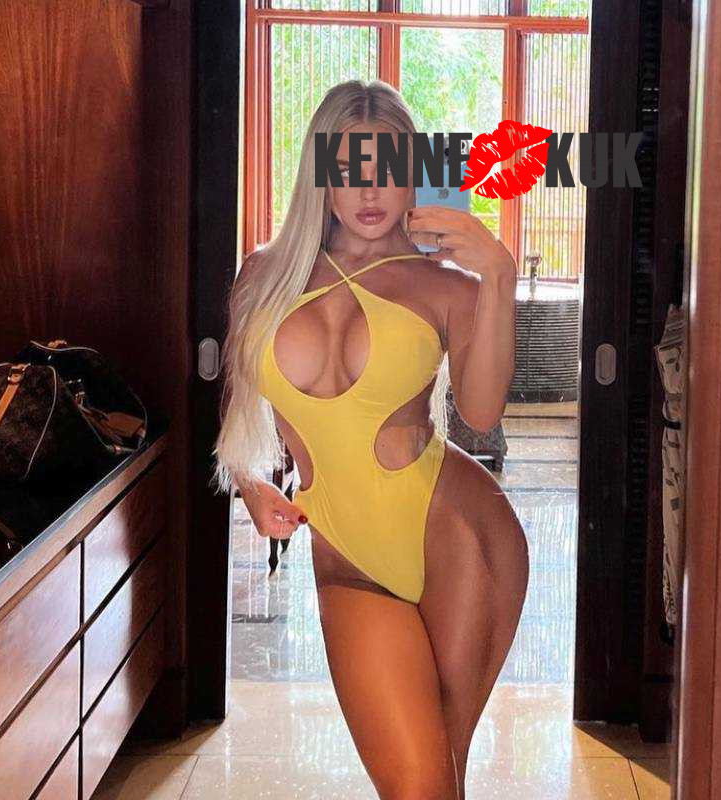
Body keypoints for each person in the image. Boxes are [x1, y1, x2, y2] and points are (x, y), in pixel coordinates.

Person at [213, 78, 528, 800]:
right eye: (349, 165)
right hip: (347, 556)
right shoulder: (264, 275)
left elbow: (481, 413)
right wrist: (252, 484)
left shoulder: (446, 286)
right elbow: (241, 406)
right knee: (419, 784)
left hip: (459, 536)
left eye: (388, 165)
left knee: (438, 779)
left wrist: (498, 274)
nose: (369, 188)